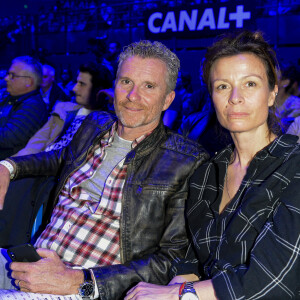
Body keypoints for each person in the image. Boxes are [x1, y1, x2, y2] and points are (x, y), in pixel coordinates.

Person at [0, 40, 209, 300]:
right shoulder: (95, 123)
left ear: (168, 99)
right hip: (35, 260)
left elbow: (172, 260)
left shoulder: (186, 161)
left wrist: (80, 281)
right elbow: (59, 157)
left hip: (84, 287)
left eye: (149, 86)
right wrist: (7, 167)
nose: (133, 96)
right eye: (126, 82)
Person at [124, 31, 300, 300]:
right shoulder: (206, 173)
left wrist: (176, 295)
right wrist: (170, 289)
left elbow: (274, 283)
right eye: (222, 86)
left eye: (250, 84)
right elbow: (191, 262)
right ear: (212, 97)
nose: (235, 97)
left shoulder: (293, 165)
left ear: (272, 93)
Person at [15, 62, 113, 156]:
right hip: (37, 163)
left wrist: (115, 103)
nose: (74, 89)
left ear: (100, 90)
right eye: (76, 82)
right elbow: (37, 142)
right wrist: (13, 165)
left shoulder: (108, 121)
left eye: (82, 84)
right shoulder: (63, 110)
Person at [0, 56, 48, 159]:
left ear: (28, 82)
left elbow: (7, 137)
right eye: (8, 74)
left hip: (9, 167)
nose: (6, 78)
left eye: (12, 75)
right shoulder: (9, 96)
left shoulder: (34, 106)